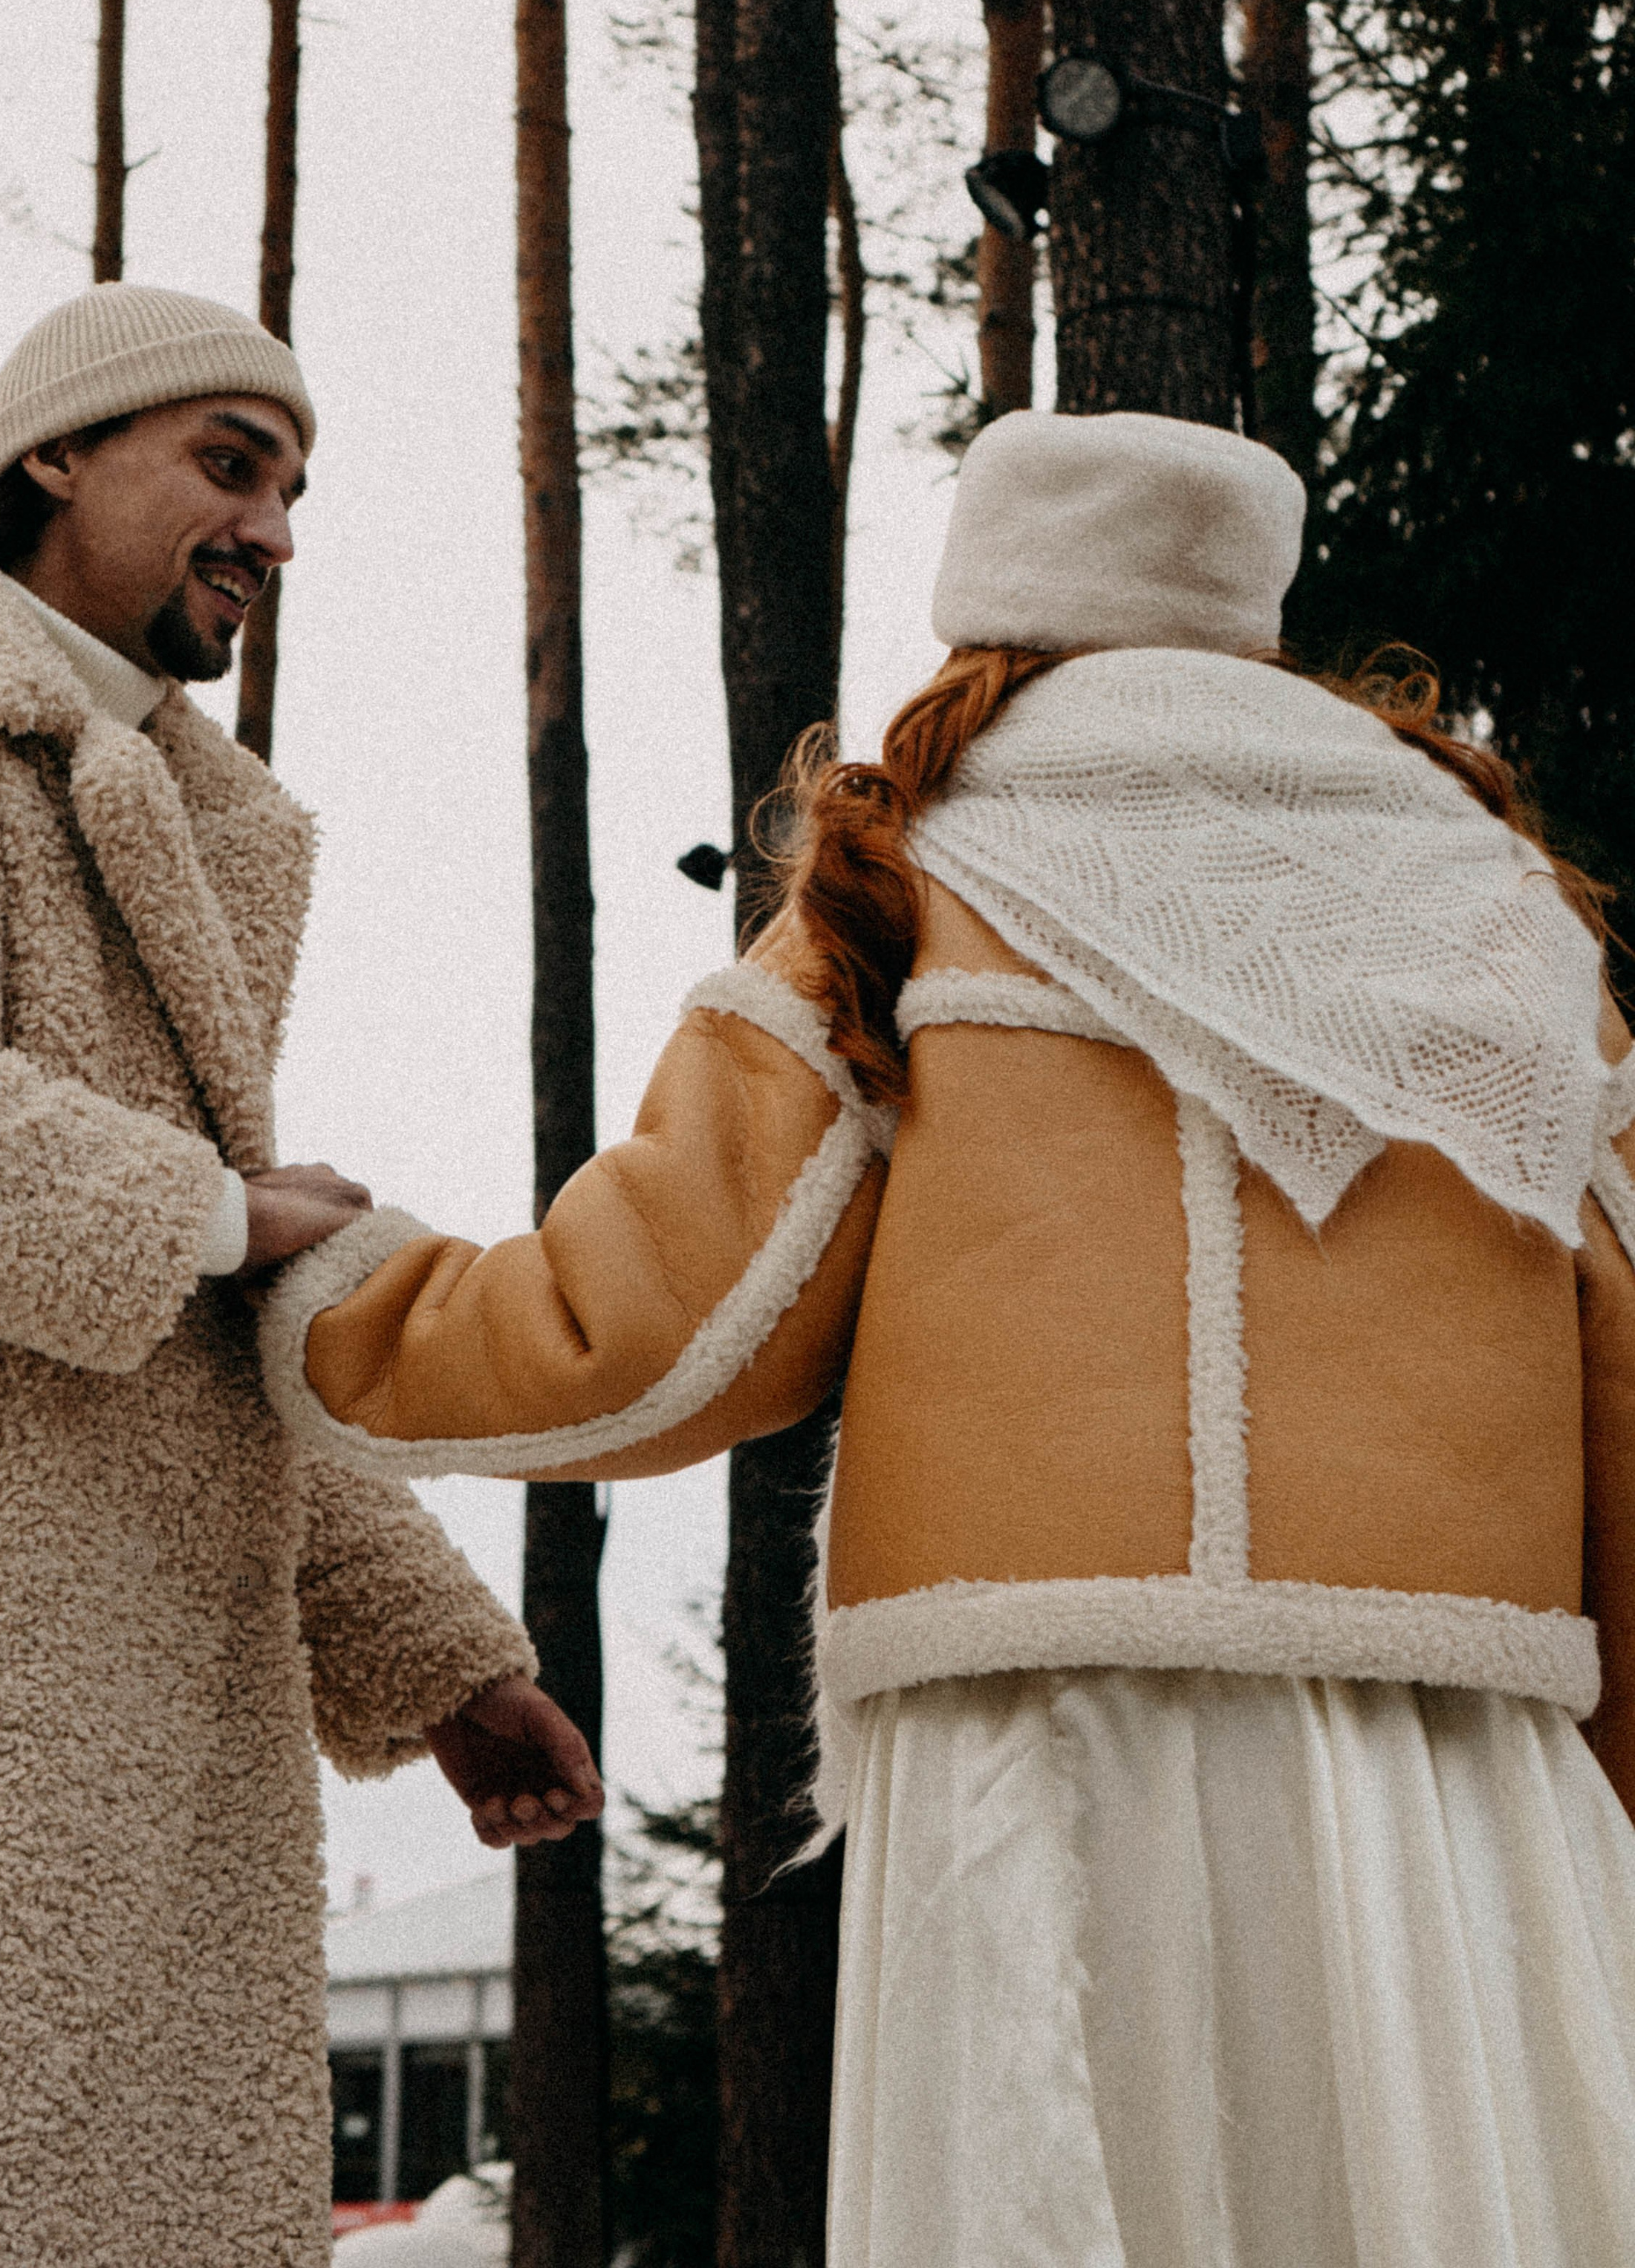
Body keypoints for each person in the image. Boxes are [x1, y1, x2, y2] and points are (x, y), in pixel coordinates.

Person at [259, 408, 1635, 2268]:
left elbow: (656, 1327)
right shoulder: (1506, 918)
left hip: (1050, 1725)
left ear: (990, 598)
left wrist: (335, 1296)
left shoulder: (910, 874)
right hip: (1452, 1754)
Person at [0, 283, 600, 2268]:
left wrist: (436, 1659)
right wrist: (211, 1211)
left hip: (141, 1747)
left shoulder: (163, 818)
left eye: (293, 488)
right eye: (229, 464)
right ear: (53, 457)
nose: (276, 532)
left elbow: (197, 1333)